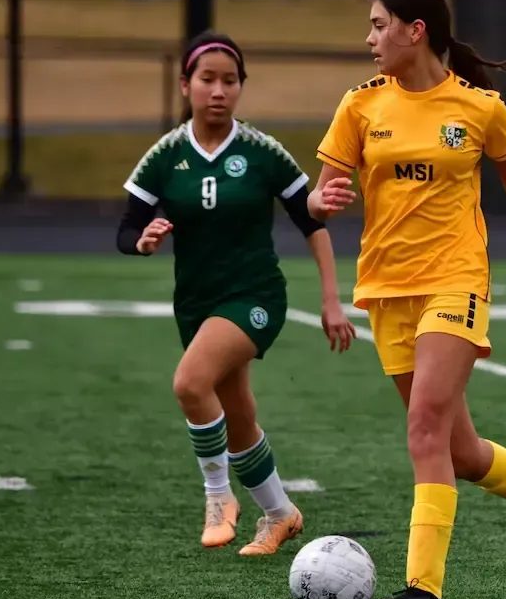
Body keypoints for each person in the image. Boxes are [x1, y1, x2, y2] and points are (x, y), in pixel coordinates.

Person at [307, 0, 506, 599]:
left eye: (380, 25)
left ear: (417, 32)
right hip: (385, 290)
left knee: (424, 430)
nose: (370, 38)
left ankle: (424, 590)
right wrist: (316, 199)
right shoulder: (359, 106)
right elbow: (316, 196)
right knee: (460, 453)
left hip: (456, 280)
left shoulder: (478, 107)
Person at [116, 31, 356, 556]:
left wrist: (331, 299)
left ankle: (218, 496)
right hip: (197, 303)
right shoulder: (165, 156)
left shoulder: (261, 151)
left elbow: (310, 219)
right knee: (239, 415)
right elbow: (127, 227)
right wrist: (143, 239)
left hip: (255, 296)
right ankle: (280, 513)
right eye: (207, 80)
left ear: (242, 87)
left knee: (188, 383)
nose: (219, 90)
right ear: (186, 85)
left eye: (230, 80)